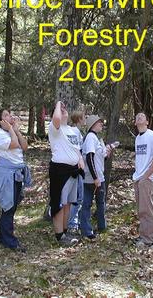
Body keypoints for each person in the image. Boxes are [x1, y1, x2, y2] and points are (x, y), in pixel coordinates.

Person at [0, 109, 30, 252]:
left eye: (10, 114)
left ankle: (3, 236)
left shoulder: (10, 132)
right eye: (6, 115)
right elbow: (13, 145)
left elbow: (24, 146)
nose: (10, 116)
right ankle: (9, 240)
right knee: (9, 206)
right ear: (1, 121)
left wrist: (16, 131)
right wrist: (11, 130)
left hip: (16, 173)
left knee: (12, 205)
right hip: (7, 174)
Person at [48, 101, 85, 246]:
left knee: (68, 203)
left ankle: (65, 231)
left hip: (73, 171)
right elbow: (56, 119)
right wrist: (58, 103)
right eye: (60, 109)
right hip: (59, 171)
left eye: (64, 108)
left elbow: (77, 148)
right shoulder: (54, 128)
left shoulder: (72, 130)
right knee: (59, 203)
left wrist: (80, 159)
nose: (63, 110)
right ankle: (59, 235)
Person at [132, 112, 153, 248]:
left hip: (147, 178)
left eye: (142, 116)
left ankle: (149, 239)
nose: (139, 117)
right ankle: (143, 235)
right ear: (135, 123)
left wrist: (147, 176)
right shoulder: (138, 138)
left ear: (147, 122)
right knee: (141, 209)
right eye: (137, 116)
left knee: (147, 209)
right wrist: (138, 177)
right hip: (138, 178)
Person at [80, 115, 112, 240]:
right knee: (87, 204)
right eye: (99, 122)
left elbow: (100, 157)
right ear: (92, 124)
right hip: (91, 179)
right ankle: (86, 231)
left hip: (99, 177)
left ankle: (102, 226)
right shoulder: (90, 138)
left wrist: (107, 153)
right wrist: (95, 178)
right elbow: (89, 158)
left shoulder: (97, 138)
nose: (101, 124)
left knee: (101, 203)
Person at [67, 111, 86, 234]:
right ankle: (72, 224)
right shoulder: (74, 132)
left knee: (77, 197)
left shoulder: (78, 132)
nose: (85, 119)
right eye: (84, 117)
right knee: (77, 198)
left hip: (77, 169)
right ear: (79, 119)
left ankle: (74, 222)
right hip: (74, 169)